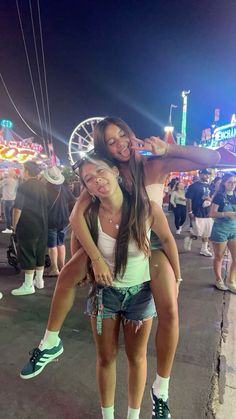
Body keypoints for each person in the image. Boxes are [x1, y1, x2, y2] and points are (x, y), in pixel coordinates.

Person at [20, 117, 220, 419]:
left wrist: (169, 146)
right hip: (110, 245)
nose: (118, 144)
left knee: (170, 312)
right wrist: (92, 260)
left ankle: (161, 390)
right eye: (110, 142)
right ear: (105, 150)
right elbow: (77, 219)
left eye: (121, 135)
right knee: (70, 274)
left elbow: (214, 158)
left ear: (131, 132)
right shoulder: (105, 174)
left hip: (149, 245)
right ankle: (50, 342)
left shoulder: (156, 164)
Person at [78, 154, 181, 418]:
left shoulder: (145, 209)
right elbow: (77, 248)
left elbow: (168, 241)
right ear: (87, 188)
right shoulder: (88, 215)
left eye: (100, 171)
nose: (97, 179)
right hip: (104, 296)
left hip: (140, 295)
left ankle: (134, 415)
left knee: (137, 358)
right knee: (106, 358)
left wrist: (177, 279)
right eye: (89, 178)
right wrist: (92, 264)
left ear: (114, 171)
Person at [11, 161, 48, 295]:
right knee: (40, 253)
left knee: (27, 253)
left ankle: (28, 285)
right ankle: (39, 282)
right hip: (43, 224)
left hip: (28, 225)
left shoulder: (23, 187)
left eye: (22, 169)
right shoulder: (43, 186)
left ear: (26, 170)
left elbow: (17, 208)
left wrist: (14, 226)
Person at [43, 166, 76, 277]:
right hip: (64, 220)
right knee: (61, 244)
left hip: (51, 220)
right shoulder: (64, 189)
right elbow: (73, 202)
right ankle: (63, 267)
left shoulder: (45, 190)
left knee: (52, 246)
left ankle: (54, 269)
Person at [209, 173, 236, 292]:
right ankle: (219, 280)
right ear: (224, 183)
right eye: (230, 182)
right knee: (219, 257)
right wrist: (226, 214)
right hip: (220, 230)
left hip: (234, 229)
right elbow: (211, 213)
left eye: (235, 182)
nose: (233, 185)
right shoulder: (219, 196)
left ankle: (231, 281)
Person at [184, 169, 214, 256]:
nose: (207, 176)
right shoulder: (193, 186)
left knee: (207, 232)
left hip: (207, 212)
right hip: (197, 212)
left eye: (208, 174)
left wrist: (210, 201)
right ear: (200, 174)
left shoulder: (209, 186)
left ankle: (204, 249)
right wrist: (190, 212)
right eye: (205, 174)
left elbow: (212, 198)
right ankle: (189, 238)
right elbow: (189, 199)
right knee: (197, 231)